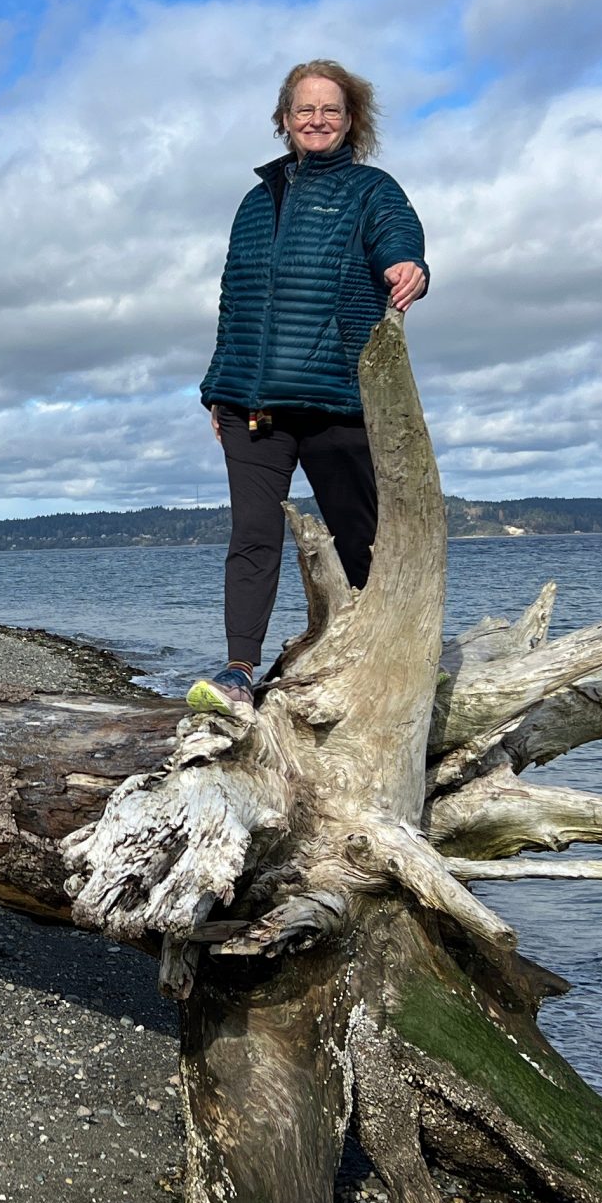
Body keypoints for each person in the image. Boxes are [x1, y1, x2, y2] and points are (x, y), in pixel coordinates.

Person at [193, 59, 429, 713]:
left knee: (362, 538)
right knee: (253, 538)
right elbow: (233, 300)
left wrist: (408, 265)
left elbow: (398, 237)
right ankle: (239, 673)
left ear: (351, 121)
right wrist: (218, 386)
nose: (317, 120)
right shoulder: (254, 202)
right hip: (251, 406)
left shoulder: (371, 190)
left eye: (331, 110)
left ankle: (392, 665)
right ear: (285, 119)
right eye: (305, 109)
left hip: (336, 399)